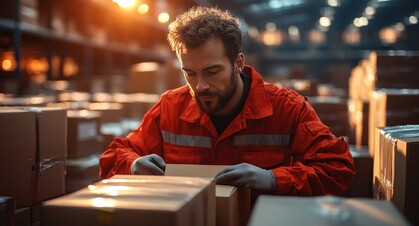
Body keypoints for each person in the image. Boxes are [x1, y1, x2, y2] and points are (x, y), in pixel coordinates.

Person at [99, 6, 355, 196]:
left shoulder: (287, 109)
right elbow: (114, 156)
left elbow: (337, 166)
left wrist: (273, 179)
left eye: (212, 71)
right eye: (189, 73)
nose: (200, 86)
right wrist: (133, 164)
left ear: (238, 63)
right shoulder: (170, 108)